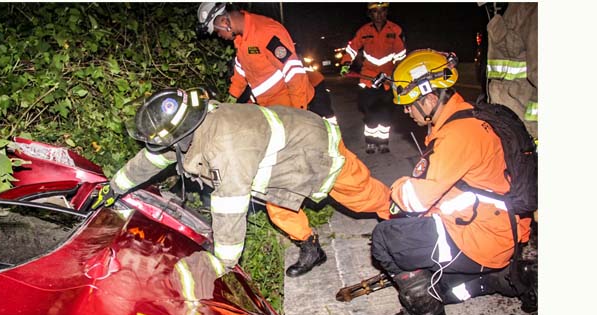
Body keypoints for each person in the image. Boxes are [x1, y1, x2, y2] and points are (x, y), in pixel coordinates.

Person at [94, 87, 393, 278]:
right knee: (281, 211)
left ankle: (402, 215)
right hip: (282, 158)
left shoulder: (225, 147)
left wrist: (221, 265)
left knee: (362, 195)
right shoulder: (193, 126)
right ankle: (312, 249)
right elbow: (153, 159)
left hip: (315, 147)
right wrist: (114, 187)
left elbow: (229, 208)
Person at [368, 49, 532, 315]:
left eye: (409, 104)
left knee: (385, 239)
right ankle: (502, 277)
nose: (406, 111)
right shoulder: (466, 119)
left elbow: (417, 199)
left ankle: (425, 312)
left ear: (430, 98)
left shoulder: (458, 135)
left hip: (484, 237)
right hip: (499, 229)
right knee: (440, 285)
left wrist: (398, 187)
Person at [196, 3, 315, 111]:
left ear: (224, 22)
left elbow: (294, 72)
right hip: (269, 106)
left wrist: (299, 110)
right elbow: (241, 69)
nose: (220, 36)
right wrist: (232, 96)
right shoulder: (240, 39)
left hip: (291, 104)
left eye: (218, 31)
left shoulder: (266, 32)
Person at [339, 2, 407, 154]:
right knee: (370, 115)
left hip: (388, 81)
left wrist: (399, 72)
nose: (379, 15)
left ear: (386, 12)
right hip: (368, 79)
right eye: (375, 12)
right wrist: (345, 63)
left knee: (386, 115)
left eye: (382, 11)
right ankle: (370, 142)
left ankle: (383, 143)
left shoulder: (395, 30)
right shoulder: (363, 31)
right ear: (370, 14)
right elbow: (352, 49)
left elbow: (401, 55)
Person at [483, 2, 538, 143]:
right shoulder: (505, 10)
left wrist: (534, 131)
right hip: (508, 128)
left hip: (527, 132)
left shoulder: (531, 9)